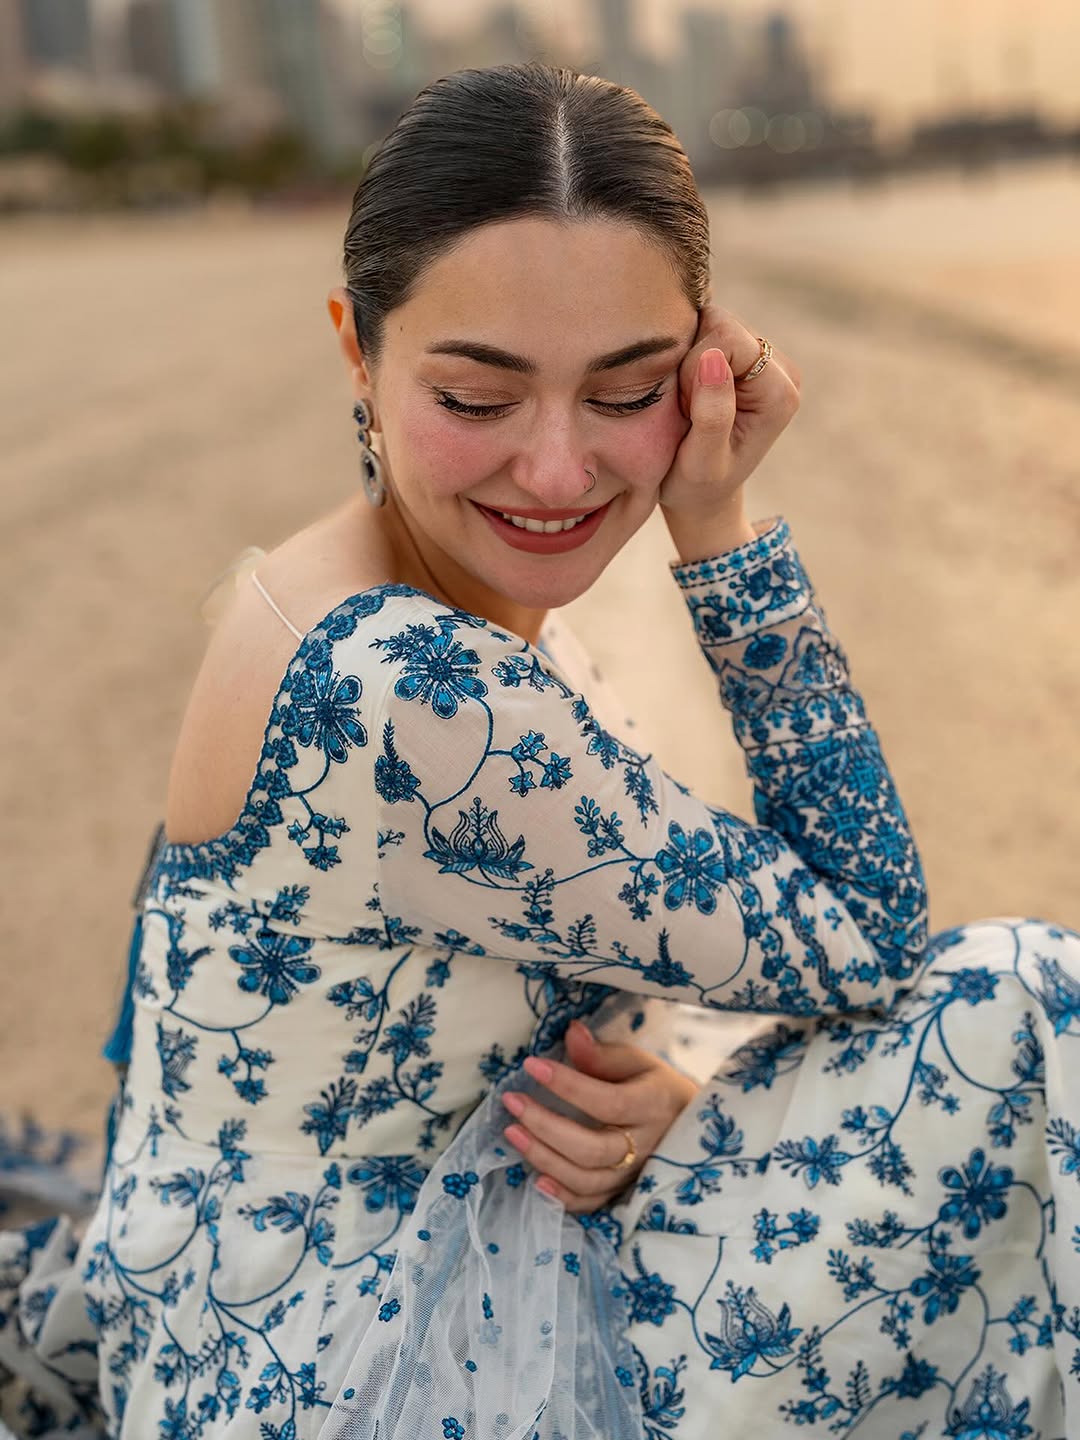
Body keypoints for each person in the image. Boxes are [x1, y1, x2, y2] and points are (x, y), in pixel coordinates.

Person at [1, 59, 1076, 1440]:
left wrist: (674, 1083)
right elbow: (869, 927)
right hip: (354, 1367)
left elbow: (548, 955)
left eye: (625, 391)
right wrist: (721, 526)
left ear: (697, 373)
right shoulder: (414, 687)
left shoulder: (326, 586)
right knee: (1029, 1008)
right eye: (479, 396)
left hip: (227, 1319)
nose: (558, 471)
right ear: (357, 350)